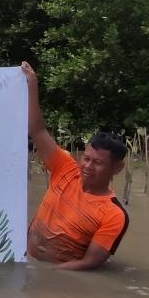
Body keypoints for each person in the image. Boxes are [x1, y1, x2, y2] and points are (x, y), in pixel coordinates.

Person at [22, 61, 129, 271]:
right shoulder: (65, 169)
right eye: (87, 158)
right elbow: (38, 131)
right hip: (26, 259)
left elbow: (89, 263)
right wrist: (32, 84)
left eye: (98, 162)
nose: (88, 166)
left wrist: (48, 274)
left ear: (117, 168)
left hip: (54, 276)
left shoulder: (114, 215)